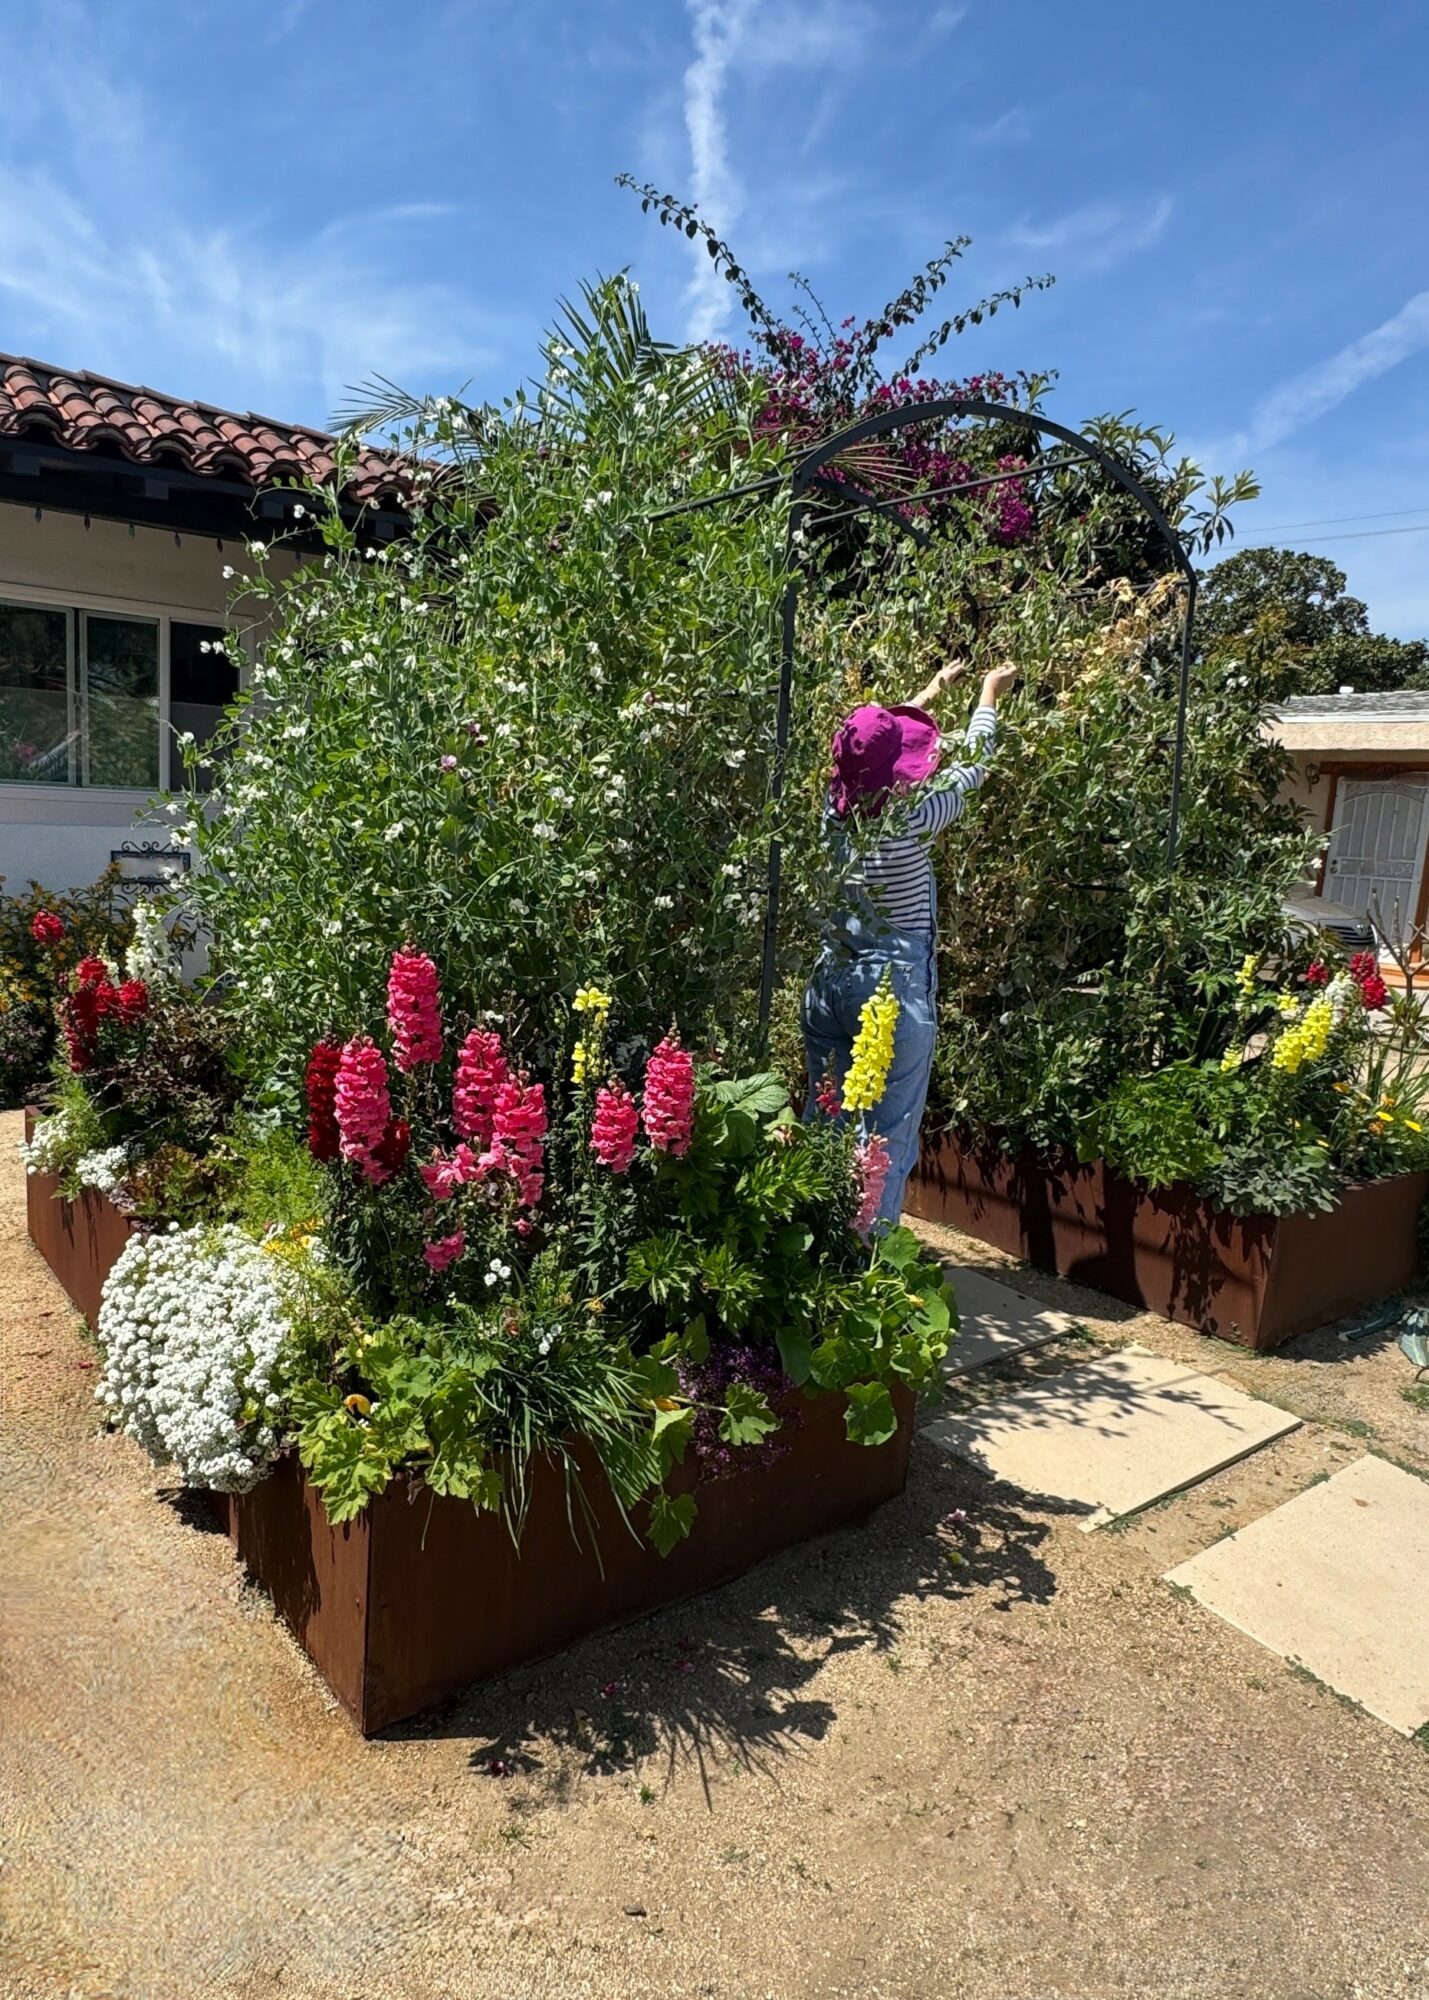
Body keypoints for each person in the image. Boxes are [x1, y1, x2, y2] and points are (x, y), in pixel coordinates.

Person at [802, 658, 1018, 1231]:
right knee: (884, 1139)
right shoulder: (913, 815)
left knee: (823, 1119)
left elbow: (865, 753)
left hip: (831, 978)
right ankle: (863, 1267)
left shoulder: (832, 808)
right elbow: (972, 766)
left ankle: (807, 1247)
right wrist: (988, 697)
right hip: (890, 988)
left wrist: (931, 690)